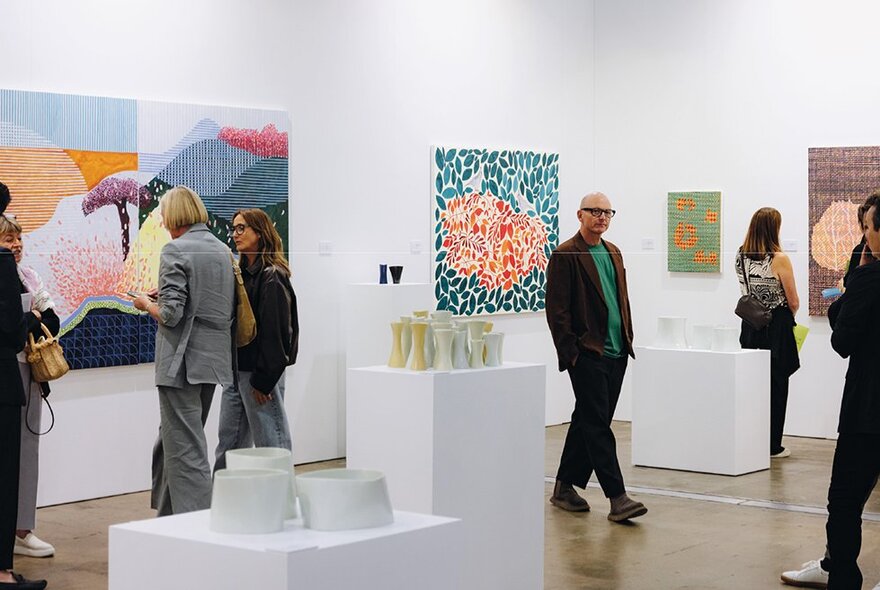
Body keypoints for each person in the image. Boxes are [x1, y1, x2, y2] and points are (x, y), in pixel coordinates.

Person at [781, 191, 880, 589]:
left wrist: (850, 287)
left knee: (844, 501)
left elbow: (842, 341)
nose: (865, 235)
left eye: (868, 228)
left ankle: (840, 574)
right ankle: (830, 564)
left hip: (869, 410)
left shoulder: (870, 278)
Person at [131, 186, 235, 517]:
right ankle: (167, 519)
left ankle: (199, 523)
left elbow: (172, 315)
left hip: (181, 362)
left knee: (186, 449)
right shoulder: (221, 249)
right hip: (212, 361)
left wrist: (146, 303)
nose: (161, 219)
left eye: (163, 213)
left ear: (175, 214)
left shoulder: (175, 250)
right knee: (173, 443)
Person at [545, 191, 647, 522]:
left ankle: (563, 488)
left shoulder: (614, 252)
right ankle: (617, 497)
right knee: (598, 424)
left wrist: (627, 336)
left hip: (616, 352)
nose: (602, 217)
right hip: (587, 353)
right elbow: (557, 311)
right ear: (580, 214)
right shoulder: (566, 254)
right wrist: (571, 353)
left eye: (607, 212)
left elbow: (622, 300)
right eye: (594, 211)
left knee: (590, 420)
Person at [214, 209, 299, 470]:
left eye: (242, 228)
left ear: (260, 234)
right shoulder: (242, 274)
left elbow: (278, 332)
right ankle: (225, 503)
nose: (235, 234)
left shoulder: (272, 276)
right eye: (234, 228)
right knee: (228, 446)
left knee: (272, 445)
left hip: (260, 376)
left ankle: (283, 505)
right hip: (238, 372)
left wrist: (263, 380)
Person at [0, 215, 58, 559]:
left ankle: (22, 528)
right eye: (8, 239)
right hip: (6, 373)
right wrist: (31, 318)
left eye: (18, 238)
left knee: (27, 453)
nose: (16, 245)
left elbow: (53, 320)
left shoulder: (29, 277)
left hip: (29, 374)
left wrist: (31, 319)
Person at [735, 207, 800, 458]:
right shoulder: (778, 258)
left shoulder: (741, 255)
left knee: (754, 386)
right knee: (777, 385)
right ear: (774, 228)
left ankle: (753, 439)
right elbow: (792, 300)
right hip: (776, 328)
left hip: (751, 326)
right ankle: (773, 445)